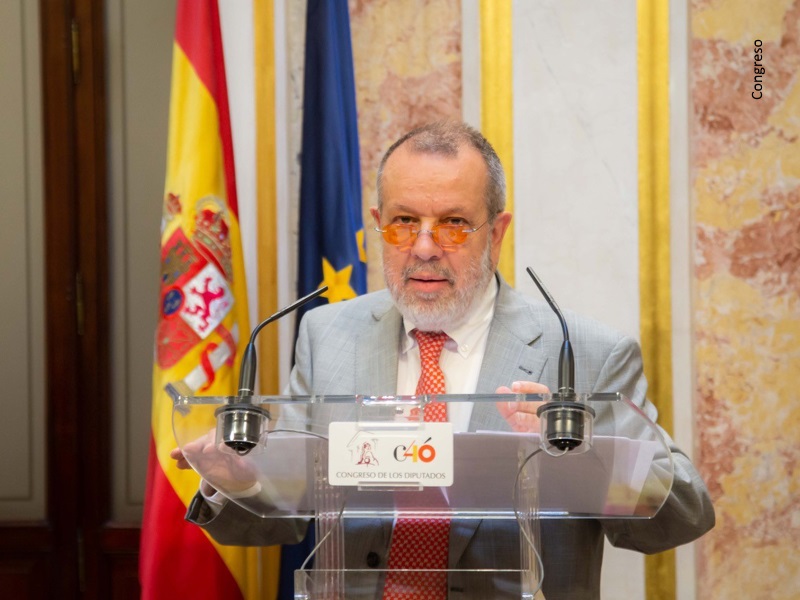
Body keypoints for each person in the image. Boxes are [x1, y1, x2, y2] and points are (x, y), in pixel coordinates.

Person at [174, 121, 714, 599]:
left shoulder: (585, 352)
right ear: (377, 224)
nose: (425, 247)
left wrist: (587, 457)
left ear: (496, 233)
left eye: (454, 223)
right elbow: (278, 515)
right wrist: (236, 478)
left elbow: (683, 516)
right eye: (405, 221)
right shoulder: (327, 333)